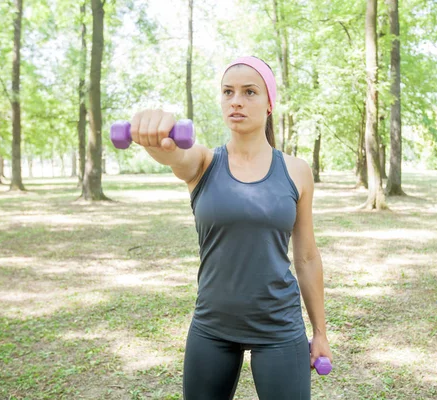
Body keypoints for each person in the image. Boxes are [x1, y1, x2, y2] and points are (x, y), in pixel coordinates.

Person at [129, 56, 332, 400]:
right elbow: (176, 156)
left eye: (249, 92)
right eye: (228, 92)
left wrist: (321, 332)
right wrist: (155, 138)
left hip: (279, 326)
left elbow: (307, 257)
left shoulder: (297, 171)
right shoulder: (204, 162)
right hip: (213, 326)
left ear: (269, 104)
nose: (236, 100)